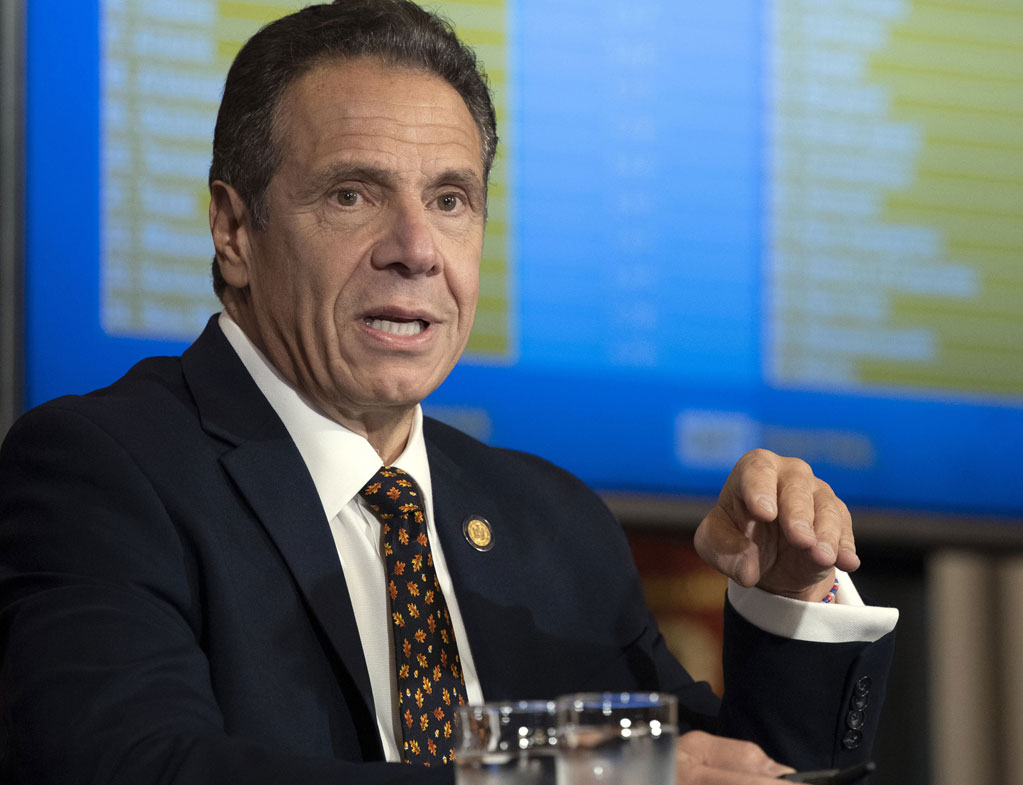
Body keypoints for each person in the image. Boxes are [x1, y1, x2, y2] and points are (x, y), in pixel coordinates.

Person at [0, 1, 897, 783]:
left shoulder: (554, 523)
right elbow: (134, 767)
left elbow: (722, 774)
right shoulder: (104, 472)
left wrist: (785, 602)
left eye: (451, 200)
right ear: (234, 229)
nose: (416, 249)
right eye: (352, 195)